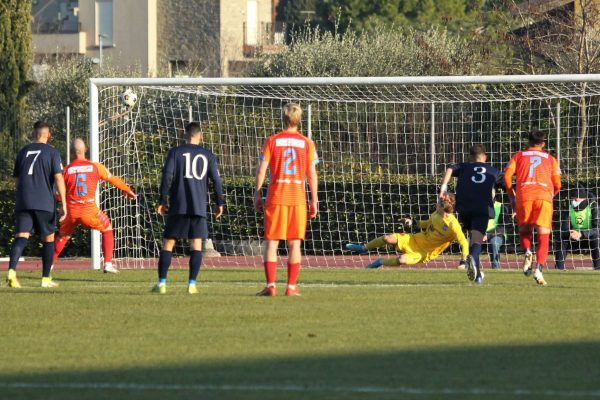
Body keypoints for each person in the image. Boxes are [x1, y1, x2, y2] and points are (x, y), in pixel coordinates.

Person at [254, 103, 319, 297]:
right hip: (298, 198)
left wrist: (257, 194)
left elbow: (261, 170)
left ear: (283, 118)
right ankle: (291, 287)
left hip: (276, 196)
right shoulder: (307, 143)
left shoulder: (272, 141)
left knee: (272, 243)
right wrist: (314, 200)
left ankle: (271, 285)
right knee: (294, 244)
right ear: (299, 119)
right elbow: (312, 175)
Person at [153, 122, 224, 294]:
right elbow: (216, 180)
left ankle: (162, 284)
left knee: (168, 243)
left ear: (185, 135)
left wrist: (162, 200)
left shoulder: (175, 153)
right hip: (198, 206)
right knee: (196, 244)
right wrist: (219, 202)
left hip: (178, 205)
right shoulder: (208, 155)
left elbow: (167, 177)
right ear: (201, 136)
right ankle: (192, 284)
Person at [52, 138, 137, 273]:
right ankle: (108, 264)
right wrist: (127, 190)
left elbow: (58, 193)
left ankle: (49, 266)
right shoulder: (96, 167)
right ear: (86, 150)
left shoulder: (66, 170)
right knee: (107, 227)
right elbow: (113, 179)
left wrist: (60, 203)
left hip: (71, 211)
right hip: (89, 211)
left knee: (62, 236)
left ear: (71, 152)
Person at [6, 121, 66, 288]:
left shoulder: (22, 152)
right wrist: (64, 204)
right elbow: (59, 178)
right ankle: (46, 279)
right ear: (49, 135)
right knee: (48, 238)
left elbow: (17, 181)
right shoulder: (52, 152)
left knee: (21, 237)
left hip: (23, 201)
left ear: (33, 134)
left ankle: (11, 271)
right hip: (44, 202)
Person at [346, 194, 469, 270]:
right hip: (414, 239)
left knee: (401, 260)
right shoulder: (436, 214)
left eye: (438, 202)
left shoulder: (453, 225)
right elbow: (427, 224)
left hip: (424, 253)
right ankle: (363, 248)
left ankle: (380, 262)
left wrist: (463, 262)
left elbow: (464, 242)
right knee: (387, 238)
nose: (436, 203)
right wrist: (413, 222)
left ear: (443, 206)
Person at [439, 144, 504, 283]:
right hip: (482, 207)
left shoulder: (464, 167)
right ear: (485, 156)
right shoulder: (493, 171)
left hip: (463, 207)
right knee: (477, 240)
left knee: (472, 237)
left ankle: (478, 276)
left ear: (470, 157)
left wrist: (443, 188)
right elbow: (508, 185)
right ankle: (473, 258)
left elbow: (450, 168)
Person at [504, 130, 561, 285]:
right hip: (544, 198)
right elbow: (558, 184)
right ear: (543, 144)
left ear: (528, 142)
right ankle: (539, 269)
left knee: (525, 231)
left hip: (524, 197)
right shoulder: (551, 159)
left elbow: (507, 176)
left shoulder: (519, 156)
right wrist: (551, 195)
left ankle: (528, 252)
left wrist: (512, 196)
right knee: (544, 236)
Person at [554, 187, 600, 270]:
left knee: (596, 237)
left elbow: (597, 229)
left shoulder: (594, 206)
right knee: (562, 239)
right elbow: (564, 228)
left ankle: (598, 268)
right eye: (572, 199)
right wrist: (571, 233)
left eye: (576, 199)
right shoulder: (569, 208)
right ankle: (559, 269)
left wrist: (581, 234)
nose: (573, 201)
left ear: (583, 199)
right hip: (575, 238)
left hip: (589, 237)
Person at [484, 198, 513, 269]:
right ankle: (468, 266)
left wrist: (488, 235)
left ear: (494, 194)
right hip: (482, 234)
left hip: (498, 234)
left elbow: (503, 227)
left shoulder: (501, 206)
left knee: (494, 242)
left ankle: (495, 268)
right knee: (470, 241)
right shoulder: (479, 205)